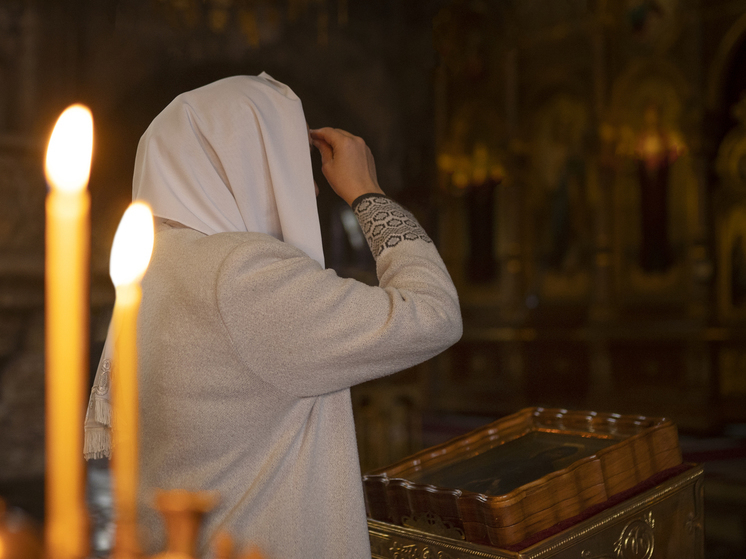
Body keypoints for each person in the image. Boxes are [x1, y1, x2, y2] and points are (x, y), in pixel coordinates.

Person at [83, 73, 462, 559]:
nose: (312, 189)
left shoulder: (151, 269)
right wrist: (368, 193)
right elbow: (432, 313)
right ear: (250, 166)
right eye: (287, 164)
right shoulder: (239, 274)